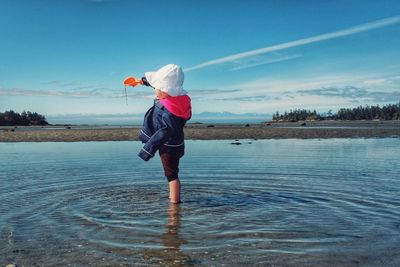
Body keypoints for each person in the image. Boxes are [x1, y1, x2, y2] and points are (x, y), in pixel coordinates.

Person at [137, 64, 192, 204]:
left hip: (169, 147)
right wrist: (140, 81)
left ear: (167, 90)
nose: (156, 89)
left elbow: (165, 131)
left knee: (171, 175)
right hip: (175, 143)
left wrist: (148, 149)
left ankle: (174, 205)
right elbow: (155, 82)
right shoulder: (177, 99)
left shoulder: (171, 110)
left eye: (158, 87)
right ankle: (173, 199)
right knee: (171, 173)